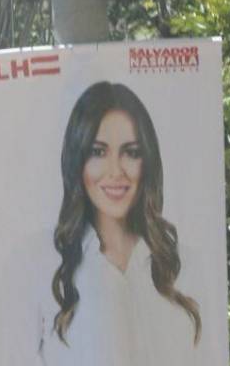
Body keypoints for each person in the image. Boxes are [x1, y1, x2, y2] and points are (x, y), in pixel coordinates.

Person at [50, 81, 200, 347]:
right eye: (98, 152)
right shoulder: (49, 267)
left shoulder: (186, 264)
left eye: (131, 153)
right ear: (77, 160)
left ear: (147, 161)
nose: (116, 171)